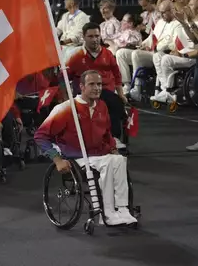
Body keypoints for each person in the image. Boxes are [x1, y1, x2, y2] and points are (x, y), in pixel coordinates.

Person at [34, 70, 138, 226]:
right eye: (92, 84)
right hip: (76, 157)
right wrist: (57, 159)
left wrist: (112, 147)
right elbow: (40, 136)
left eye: (99, 84)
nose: (97, 88)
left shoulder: (102, 106)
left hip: (99, 154)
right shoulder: (66, 108)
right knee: (110, 162)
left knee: (118, 159)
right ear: (81, 86)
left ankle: (122, 209)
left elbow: (106, 133)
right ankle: (108, 213)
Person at [65, 23, 128, 149]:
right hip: (85, 93)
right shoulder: (76, 56)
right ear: (84, 37)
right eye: (90, 36)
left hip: (106, 91)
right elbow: (64, 78)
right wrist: (66, 98)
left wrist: (121, 93)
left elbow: (117, 75)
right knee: (104, 100)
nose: (94, 39)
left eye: (97, 36)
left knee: (115, 103)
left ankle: (114, 138)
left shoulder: (108, 54)